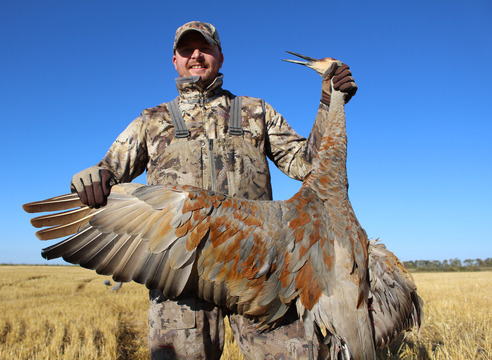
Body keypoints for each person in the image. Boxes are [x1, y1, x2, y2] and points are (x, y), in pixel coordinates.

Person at [71, 21, 357, 360]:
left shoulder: (255, 111)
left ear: (219, 56)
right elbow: (110, 171)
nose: (195, 55)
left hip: (260, 268)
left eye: (204, 48)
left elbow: (307, 165)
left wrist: (329, 103)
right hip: (180, 270)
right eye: (186, 50)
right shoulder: (152, 121)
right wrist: (93, 176)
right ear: (174, 60)